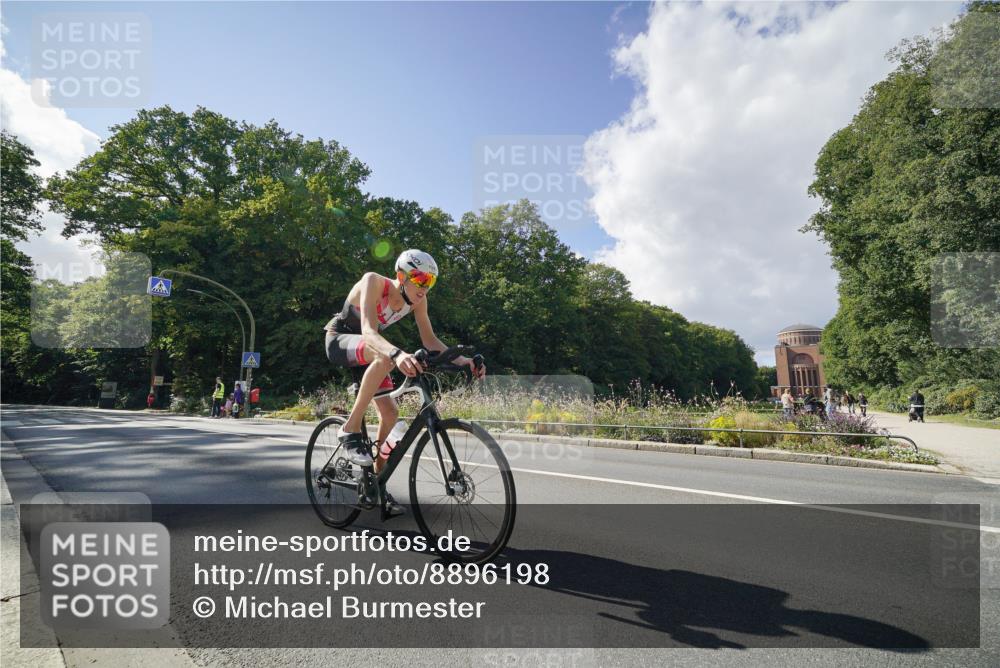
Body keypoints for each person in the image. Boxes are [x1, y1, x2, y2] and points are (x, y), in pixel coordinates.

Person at [324, 250, 486, 494]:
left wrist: (464, 361)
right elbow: (368, 331)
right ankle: (350, 428)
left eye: (430, 281)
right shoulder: (373, 281)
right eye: (420, 279)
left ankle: (376, 484)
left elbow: (429, 340)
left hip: (371, 351)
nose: (425, 287)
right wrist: (397, 354)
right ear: (402, 275)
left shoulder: (418, 302)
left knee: (390, 414)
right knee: (386, 357)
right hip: (341, 339)